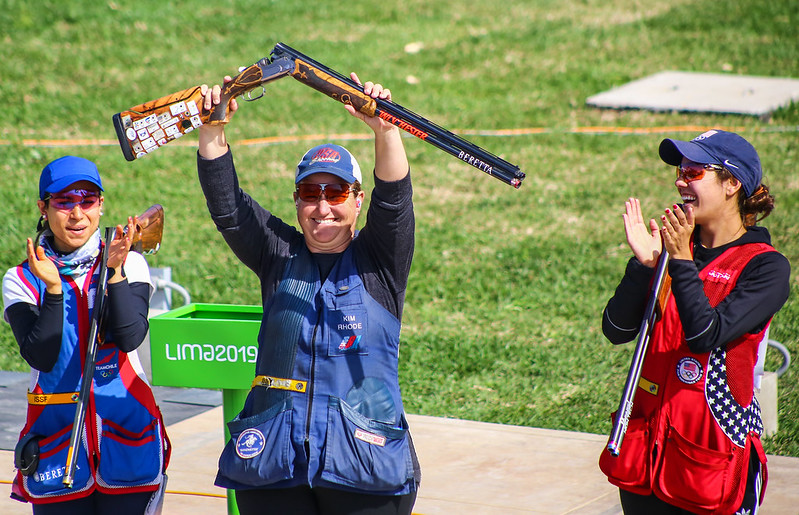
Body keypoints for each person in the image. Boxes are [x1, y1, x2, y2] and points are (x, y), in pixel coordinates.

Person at [196, 72, 419, 514]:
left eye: (335, 192)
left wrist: (386, 130)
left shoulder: (380, 261)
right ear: (296, 201)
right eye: (309, 193)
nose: (322, 207)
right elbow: (228, 208)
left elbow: (395, 200)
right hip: (274, 461)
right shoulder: (277, 254)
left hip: (363, 466)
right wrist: (212, 130)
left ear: (358, 200)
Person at [598, 129, 791, 514]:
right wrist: (645, 267)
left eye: (694, 172)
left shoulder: (765, 266)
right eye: (681, 171)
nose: (680, 180)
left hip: (714, 456)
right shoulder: (670, 251)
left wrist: (681, 262)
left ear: (732, 183)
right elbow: (616, 330)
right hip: (647, 450)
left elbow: (707, 335)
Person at [2, 156, 170, 514]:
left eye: (87, 200)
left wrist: (115, 273)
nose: (77, 214)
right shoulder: (20, 279)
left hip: (128, 444)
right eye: (63, 202)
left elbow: (129, 337)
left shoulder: (129, 262)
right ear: (43, 208)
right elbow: (42, 356)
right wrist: (53, 290)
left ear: (100, 205)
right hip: (56, 452)